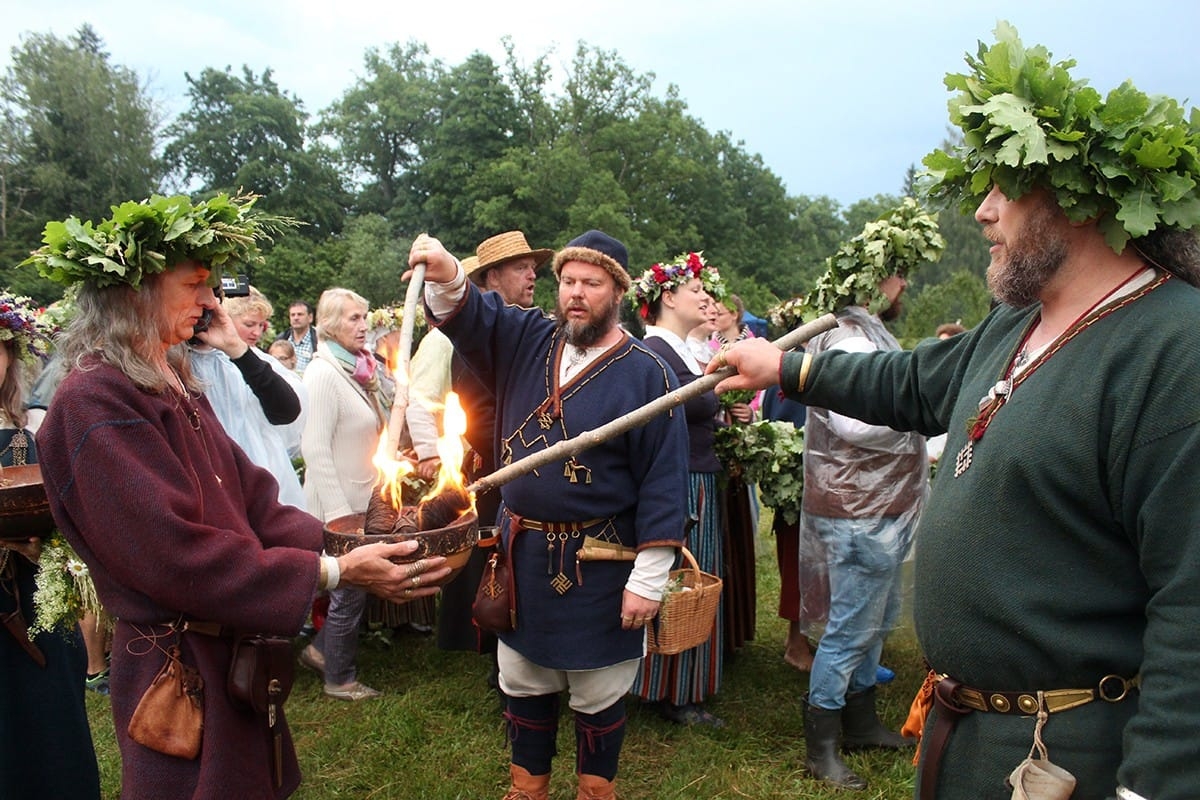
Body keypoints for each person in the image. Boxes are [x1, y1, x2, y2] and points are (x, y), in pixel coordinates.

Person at [710, 24, 1200, 800]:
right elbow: (909, 383)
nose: (983, 211)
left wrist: (1154, 787)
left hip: (1072, 756)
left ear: (1074, 195)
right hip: (964, 739)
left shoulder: (1175, 349)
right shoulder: (1017, 323)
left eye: (1004, 187)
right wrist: (785, 366)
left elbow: (1193, 606)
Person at [27, 193, 448, 799]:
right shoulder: (97, 400)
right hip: (177, 670)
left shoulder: (168, 378)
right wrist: (333, 570)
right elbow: (174, 554)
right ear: (135, 292)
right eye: (195, 285)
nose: (210, 301)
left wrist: (349, 540)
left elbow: (253, 498)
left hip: (231, 652)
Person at [407, 229, 689, 800]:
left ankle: (594, 793)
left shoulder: (647, 373)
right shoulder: (527, 339)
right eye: (567, 281)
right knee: (523, 681)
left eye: (592, 282)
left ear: (617, 291)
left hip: (602, 561)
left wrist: (650, 578)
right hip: (525, 556)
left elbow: (664, 481)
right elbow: (471, 314)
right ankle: (528, 790)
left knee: (599, 690)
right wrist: (444, 271)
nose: (576, 293)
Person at [407, 230, 552, 657]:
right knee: (496, 560)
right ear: (490, 277)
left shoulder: (531, 330)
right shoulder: (475, 338)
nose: (532, 275)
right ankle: (491, 647)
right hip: (499, 466)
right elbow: (473, 412)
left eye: (534, 268)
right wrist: (522, 452)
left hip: (516, 463)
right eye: (521, 267)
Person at [0, 292, 101, 800]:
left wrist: (52, 541)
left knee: (50, 724)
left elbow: (41, 496)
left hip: (35, 596)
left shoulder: (18, 433)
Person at [626, 252, 730, 727]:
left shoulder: (680, 350)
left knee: (691, 579)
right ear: (667, 296)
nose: (705, 299)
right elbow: (688, 407)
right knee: (683, 581)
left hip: (697, 475)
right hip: (681, 480)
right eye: (695, 292)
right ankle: (674, 690)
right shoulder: (657, 351)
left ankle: (674, 683)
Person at [300, 287, 398, 701]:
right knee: (347, 592)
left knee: (351, 590)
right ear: (330, 325)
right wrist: (340, 515)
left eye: (364, 316)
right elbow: (314, 448)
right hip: (337, 505)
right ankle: (339, 679)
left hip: (360, 500)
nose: (364, 325)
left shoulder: (359, 368)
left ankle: (320, 652)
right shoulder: (323, 374)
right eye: (354, 319)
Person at [187, 286, 307, 508]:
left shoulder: (248, 360)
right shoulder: (179, 362)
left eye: (260, 326)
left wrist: (237, 351)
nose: (256, 333)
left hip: (261, 467)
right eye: (249, 325)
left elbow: (287, 411)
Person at [276, 300, 317, 374]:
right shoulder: (282, 338)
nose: (296, 318)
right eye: (293, 315)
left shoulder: (319, 340)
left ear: (310, 318)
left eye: (300, 314)